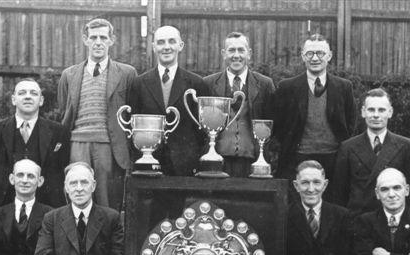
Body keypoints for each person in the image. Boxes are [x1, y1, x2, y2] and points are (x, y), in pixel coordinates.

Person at [58, 18, 137, 210]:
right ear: (85, 40)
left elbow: (133, 113)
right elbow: (64, 111)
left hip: (109, 146)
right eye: (93, 37)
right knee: (77, 197)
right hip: (78, 145)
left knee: (107, 201)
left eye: (103, 37)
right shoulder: (69, 74)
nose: (98, 42)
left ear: (112, 40)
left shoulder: (127, 73)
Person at [127, 25, 211, 176]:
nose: (166, 47)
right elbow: (131, 126)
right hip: (148, 164)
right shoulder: (139, 84)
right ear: (153, 47)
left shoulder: (197, 84)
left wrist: (193, 156)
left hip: (184, 165)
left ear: (180, 45)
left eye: (171, 41)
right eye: (160, 42)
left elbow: (202, 130)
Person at [274, 34, 356, 182]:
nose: (315, 58)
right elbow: (279, 126)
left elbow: (351, 123)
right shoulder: (287, 87)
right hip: (297, 158)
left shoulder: (344, 87)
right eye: (310, 53)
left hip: (334, 159)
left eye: (320, 53)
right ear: (303, 56)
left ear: (329, 56)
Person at [0, 78, 70, 210]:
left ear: (41, 100)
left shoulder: (59, 132)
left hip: (47, 208)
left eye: (33, 93)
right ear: (13, 99)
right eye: (22, 93)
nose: (28, 97)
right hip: (3, 207)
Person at [334, 88, 410, 215]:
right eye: (371, 110)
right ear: (363, 112)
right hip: (358, 220)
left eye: (381, 110)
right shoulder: (347, 148)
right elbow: (339, 194)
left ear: (390, 112)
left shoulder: (406, 146)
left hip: (393, 218)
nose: (376, 115)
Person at [202, 32, 276, 177]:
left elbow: (273, 123)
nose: (236, 55)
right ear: (224, 54)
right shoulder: (208, 83)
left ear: (249, 54)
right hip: (216, 161)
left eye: (241, 50)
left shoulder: (265, 84)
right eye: (231, 50)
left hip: (253, 162)